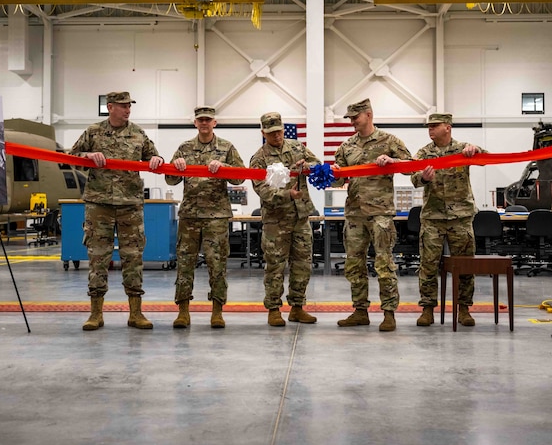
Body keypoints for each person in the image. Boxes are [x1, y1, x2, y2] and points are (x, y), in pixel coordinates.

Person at [70, 91, 165, 331]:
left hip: (129, 205)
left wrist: (156, 159)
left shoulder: (138, 133)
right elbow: (71, 158)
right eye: (123, 106)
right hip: (99, 205)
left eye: (129, 106)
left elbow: (155, 156)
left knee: (133, 258)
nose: (127, 110)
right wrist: (87, 155)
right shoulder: (93, 132)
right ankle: (95, 313)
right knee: (97, 258)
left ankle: (136, 312)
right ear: (110, 107)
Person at [331, 98, 412, 332]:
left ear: (368, 114)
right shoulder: (346, 146)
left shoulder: (389, 141)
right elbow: (338, 180)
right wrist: (335, 173)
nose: (352, 122)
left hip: (380, 214)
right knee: (354, 264)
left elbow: (412, 166)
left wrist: (392, 161)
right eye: (350, 118)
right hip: (355, 214)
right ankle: (360, 311)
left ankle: (389, 313)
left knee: (384, 263)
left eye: (355, 117)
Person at [166, 106, 245, 329]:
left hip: (216, 216)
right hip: (190, 215)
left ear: (214, 123)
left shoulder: (226, 148)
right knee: (184, 263)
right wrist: (176, 168)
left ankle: (217, 311)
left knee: (217, 263)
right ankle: (183, 311)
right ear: (195, 123)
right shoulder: (185, 148)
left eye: (208, 120)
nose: (204, 123)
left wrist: (224, 167)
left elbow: (240, 178)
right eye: (200, 120)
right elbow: (170, 181)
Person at [410, 113, 484, 327]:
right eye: (429, 126)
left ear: (447, 127)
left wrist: (476, 150)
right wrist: (423, 178)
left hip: (460, 217)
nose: (430, 129)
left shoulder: (464, 149)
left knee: (464, 265)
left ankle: (464, 309)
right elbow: (413, 177)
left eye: (435, 126)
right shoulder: (424, 153)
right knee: (428, 265)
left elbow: (486, 158)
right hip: (433, 218)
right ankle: (427, 309)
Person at [250, 112, 321, 327]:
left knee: (302, 264)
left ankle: (297, 308)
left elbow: (317, 164)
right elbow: (261, 189)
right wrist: (286, 195)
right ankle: (273, 309)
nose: (277, 136)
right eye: (272, 133)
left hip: (300, 217)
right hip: (276, 221)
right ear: (264, 133)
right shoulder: (259, 158)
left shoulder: (297, 148)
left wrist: (308, 165)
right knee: (275, 266)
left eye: (279, 131)